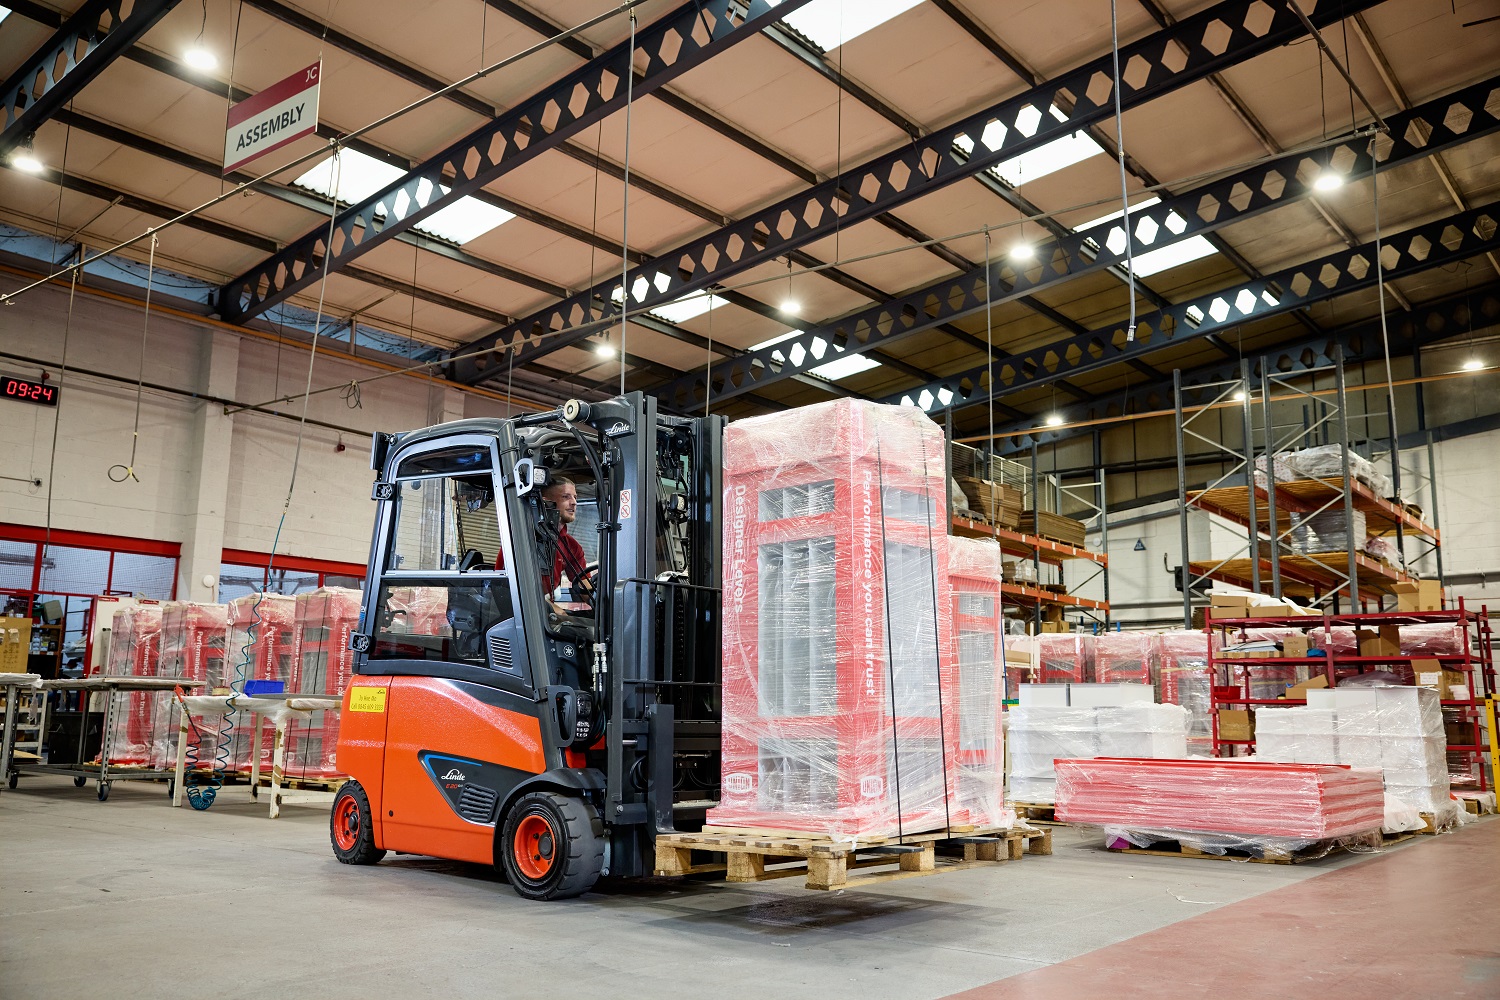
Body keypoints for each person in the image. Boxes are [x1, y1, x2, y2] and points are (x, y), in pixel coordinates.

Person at [541, 476, 592, 600]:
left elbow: (585, 588)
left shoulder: (571, 546)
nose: (574, 502)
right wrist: (551, 608)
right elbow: (509, 590)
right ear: (546, 503)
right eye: (566, 497)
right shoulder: (524, 540)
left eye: (575, 497)